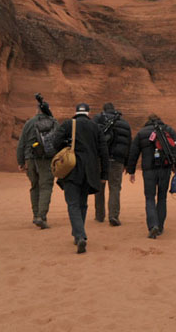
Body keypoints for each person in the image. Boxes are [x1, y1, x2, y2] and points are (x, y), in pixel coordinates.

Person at [54, 103, 109, 253]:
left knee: (72, 204)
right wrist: (104, 174)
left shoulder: (68, 124)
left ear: (76, 112)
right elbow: (104, 152)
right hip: (90, 172)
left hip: (72, 170)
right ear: (88, 113)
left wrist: (67, 145)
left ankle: (79, 235)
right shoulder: (96, 127)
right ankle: (79, 234)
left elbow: (55, 142)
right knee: (83, 204)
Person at [126, 114, 176, 239]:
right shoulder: (169, 130)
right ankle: (160, 227)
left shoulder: (142, 133)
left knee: (150, 198)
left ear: (147, 121)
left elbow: (133, 153)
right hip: (165, 169)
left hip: (149, 170)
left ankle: (153, 226)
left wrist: (131, 171)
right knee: (162, 198)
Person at [16, 98, 58, 229]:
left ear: (37, 110)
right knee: (46, 187)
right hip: (46, 159)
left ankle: (35, 216)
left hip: (30, 159)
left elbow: (21, 144)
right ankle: (41, 216)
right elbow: (58, 141)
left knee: (35, 186)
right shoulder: (53, 122)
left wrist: (21, 161)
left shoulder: (29, 123)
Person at [92, 102, 131, 226]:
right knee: (115, 188)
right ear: (114, 109)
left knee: (99, 187)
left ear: (103, 110)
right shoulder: (124, 124)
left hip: (100, 160)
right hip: (117, 160)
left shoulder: (97, 120)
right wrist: (126, 163)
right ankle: (113, 216)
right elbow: (129, 144)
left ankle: (99, 215)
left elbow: (91, 138)